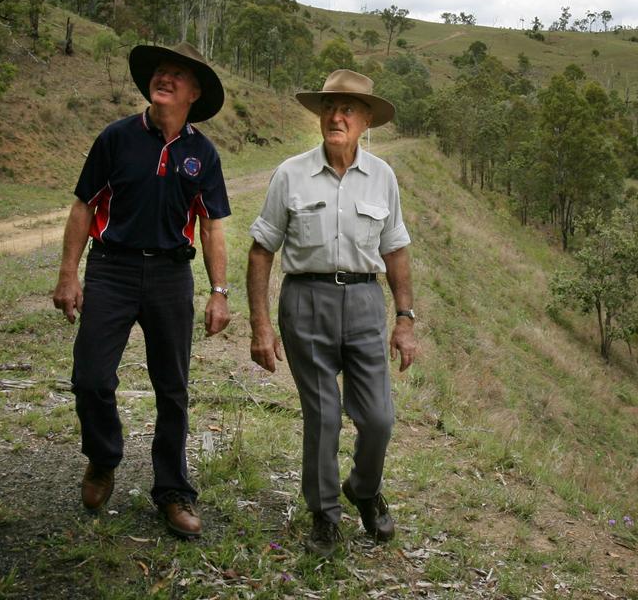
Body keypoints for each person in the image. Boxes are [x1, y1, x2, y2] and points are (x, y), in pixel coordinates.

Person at [51, 42, 232, 539]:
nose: (165, 79)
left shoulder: (202, 153)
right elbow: (83, 207)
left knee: (172, 390)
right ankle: (104, 458)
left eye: (177, 76)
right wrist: (69, 273)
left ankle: (173, 491)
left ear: (194, 94)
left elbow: (213, 226)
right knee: (90, 377)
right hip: (111, 269)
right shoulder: (116, 138)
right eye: (161, 73)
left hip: (172, 276)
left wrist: (219, 290)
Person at [247, 69, 418, 556]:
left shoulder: (382, 177)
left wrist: (405, 319)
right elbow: (262, 250)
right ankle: (324, 513)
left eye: (347, 109)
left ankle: (363, 490)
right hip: (305, 301)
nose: (336, 116)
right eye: (329, 107)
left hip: (365, 303)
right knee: (322, 416)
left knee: (379, 418)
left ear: (366, 120)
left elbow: (396, 250)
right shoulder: (290, 173)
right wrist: (260, 324)